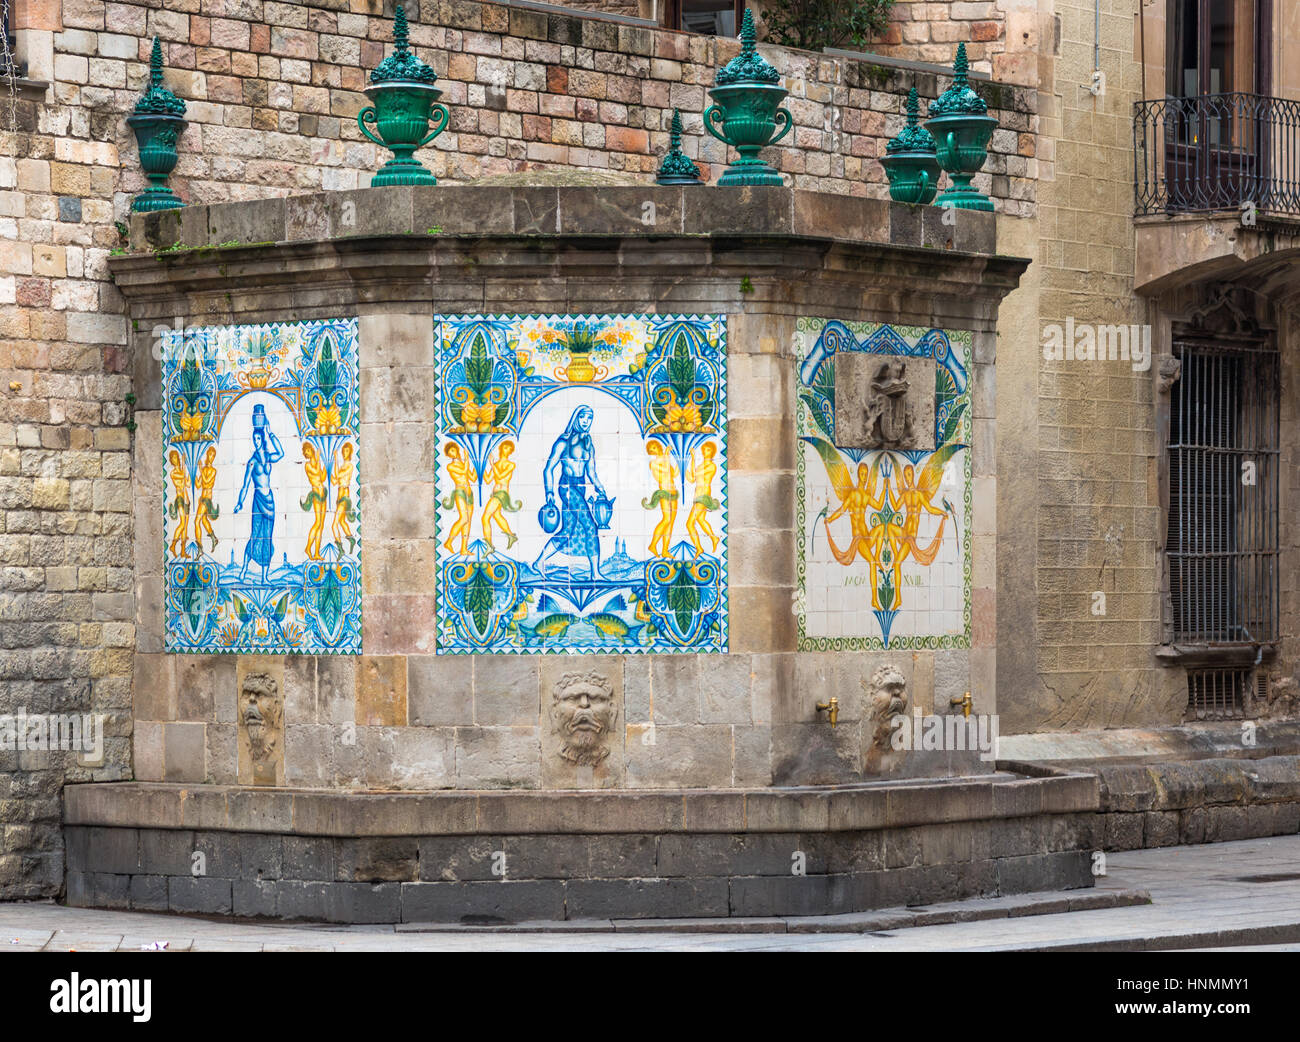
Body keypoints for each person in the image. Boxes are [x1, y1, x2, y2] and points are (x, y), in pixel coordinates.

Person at [533, 405, 608, 579]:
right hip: (566, 487)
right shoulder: (563, 442)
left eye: (589, 418)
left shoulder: (589, 444)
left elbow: (591, 472)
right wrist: (549, 493)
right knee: (590, 525)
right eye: (582, 417)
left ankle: (538, 562)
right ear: (575, 418)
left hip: (580, 488)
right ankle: (595, 573)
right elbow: (548, 469)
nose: (586, 422)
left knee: (567, 531)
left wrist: (600, 487)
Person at [234, 403, 284, 583]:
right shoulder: (252, 462)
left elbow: (281, 453)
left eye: (258, 439)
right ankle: (244, 570)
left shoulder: (268, 457)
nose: (255, 442)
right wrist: (240, 502)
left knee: (267, 537)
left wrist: (270, 433)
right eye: (253, 440)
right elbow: (245, 485)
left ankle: (264, 577)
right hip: (257, 501)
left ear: (261, 440)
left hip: (270, 501)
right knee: (255, 536)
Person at [642, 440, 679, 559]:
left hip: (673, 492)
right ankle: (652, 545)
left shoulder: (664, 459)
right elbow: (665, 471)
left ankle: (665, 550)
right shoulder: (653, 463)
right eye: (651, 449)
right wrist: (667, 454)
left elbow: (674, 474)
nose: (654, 449)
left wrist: (680, 462)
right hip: (664, 493)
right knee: (667, 519)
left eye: (654, 447)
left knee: (671, 523)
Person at [481, 440, 520, 550]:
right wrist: (482, 467)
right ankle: (511, 536)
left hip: (501, 494)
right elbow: (488, 480)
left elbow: (499, 477)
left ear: (510, 452)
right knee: (497, 515)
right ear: (501, 448)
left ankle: (489, 546)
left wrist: (492, 464)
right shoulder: (496, 464)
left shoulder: (510, 465)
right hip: (495, 494)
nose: (505, 450)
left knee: (485, 518)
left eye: (508, 449)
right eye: (504, 447)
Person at [685, 442, 721, 556]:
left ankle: (699, 547)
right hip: (697, 497)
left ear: (713, 452)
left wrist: (692, 458)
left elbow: (696, 474)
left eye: (708, 450)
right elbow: (691, 479)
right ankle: (713, 539)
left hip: (703, 497)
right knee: (700, 520)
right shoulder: (700, 466)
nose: (705, 452)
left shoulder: (711, 466)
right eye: (704, 450)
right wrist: (684, 467)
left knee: (689, 524)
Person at [441, 442, 474, 555]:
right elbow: (464, 471)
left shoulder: (463, 463)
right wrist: (467, 459)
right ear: (448, 455)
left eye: (454, 450)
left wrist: (477, 466)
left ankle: (464, 548)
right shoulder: (451, 466)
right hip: (460, 492)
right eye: (450, 453)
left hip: (469, 492)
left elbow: (472, 478)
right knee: (464, 518)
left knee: (468, 521)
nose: (453, 454)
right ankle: (449, 541)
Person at [301, 443, 328, 560]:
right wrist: (317, 459)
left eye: (308, 450)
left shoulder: (317, 462)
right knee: (317, 522)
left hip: (323, 492)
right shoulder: (307, 465)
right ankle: (308, 548)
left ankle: (316, 552)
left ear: (311, 450)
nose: (307, 453)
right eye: (305, 452)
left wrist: (325, 467)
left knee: (321, 525)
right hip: (316, 493)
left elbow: (322, 478)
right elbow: (315, 472)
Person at [331, 441, 356, 554]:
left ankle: (340, 548)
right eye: (344, 451)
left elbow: (338, 476)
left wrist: (335, 459)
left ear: (350, 452)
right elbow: (336, 480)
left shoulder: (349, 466)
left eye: (347, 451)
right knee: (341, 521)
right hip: (339, 494)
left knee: (334, 524)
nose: (345, 453)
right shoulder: (342, 466)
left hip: (345, 495)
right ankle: (351, 539)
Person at [193, 445, 219, 553]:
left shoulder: (213, 470)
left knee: (196, 521)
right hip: (202, 498)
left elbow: (207, 481)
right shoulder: (204, 469)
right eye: (210, 455)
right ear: (207, 455)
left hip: (207, 499)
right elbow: (199, 485)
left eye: (213, 456)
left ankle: (200, 549)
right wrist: (194, 473)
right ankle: (214, 538)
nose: (211, 457)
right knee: (203, 520)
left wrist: (200, 469)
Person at [168, 448, 191, 558]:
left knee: (185, 527)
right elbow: (181, 478)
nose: (175, 459)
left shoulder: (181, 471)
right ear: (171, 461)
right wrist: (184, 465)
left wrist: (184, 468)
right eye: (173, 458)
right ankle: (173, 545)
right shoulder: (173, 473)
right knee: (182, 524)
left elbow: (188, 484)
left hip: (186, 500)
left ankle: (182, 551)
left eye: (176, 457)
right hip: (180, 500)